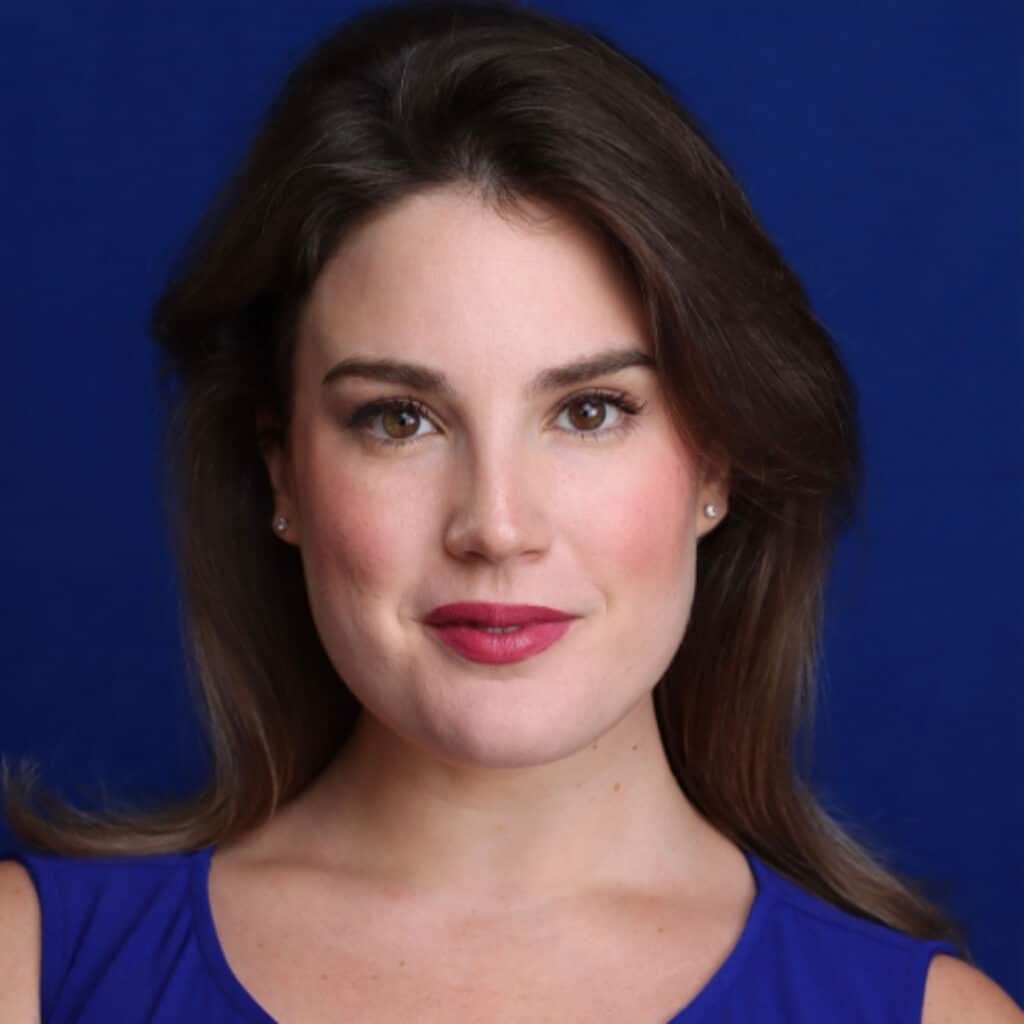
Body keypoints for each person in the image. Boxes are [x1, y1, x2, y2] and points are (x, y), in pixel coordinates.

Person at [1, 1, 1020, 1021]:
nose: (495, 526)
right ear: (283, 472)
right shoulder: (30, 969)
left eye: (588, 411)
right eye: (399, 418)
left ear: (715, 460)